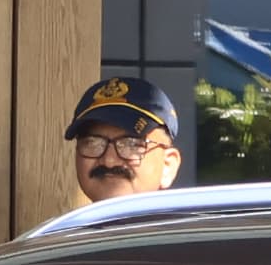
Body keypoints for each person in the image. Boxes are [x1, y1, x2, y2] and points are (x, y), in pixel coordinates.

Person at [63, 76, 185, 207]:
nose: (109, 161)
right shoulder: (59, 227)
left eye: (131, 144)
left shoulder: (193, 227)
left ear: (168, 165)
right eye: (93, 143)